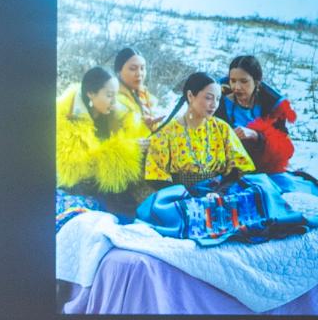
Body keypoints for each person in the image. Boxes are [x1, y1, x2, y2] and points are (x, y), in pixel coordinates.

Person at [56, 66, 151, 205]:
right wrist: (126, 151)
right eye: (109, 95)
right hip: (79, 186)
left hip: (110, 184)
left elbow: (134, 136)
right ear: (91, 93)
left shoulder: (119, 112)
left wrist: (146, 129)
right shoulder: (66, 119)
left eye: (116, 95)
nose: (114, 102)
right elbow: (79, 171)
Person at [145, 71, 255, 186]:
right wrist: (185, 194)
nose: (214, 105)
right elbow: (155, 175)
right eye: (209, 98)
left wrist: (221, 191)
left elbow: (241, 167)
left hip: (220, 192)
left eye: (217, 99)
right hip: (181, 193)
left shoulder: (222, 128)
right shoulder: (167, 133)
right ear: (190, 96)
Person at [214, 54, 297, 173]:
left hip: (262, 168)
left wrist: (256, 135)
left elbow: (287, 150)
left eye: (244, 81)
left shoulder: (271, 107)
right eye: (233, 81)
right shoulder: (218, 104)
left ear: (256, 82)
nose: (237, 87)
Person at [113, 47, 163, 131]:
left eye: (142, 68)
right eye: (133, 68)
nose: (139, 74)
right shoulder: (113, 99)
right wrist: (143, 125)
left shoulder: (147, 97)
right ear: (119, 71)